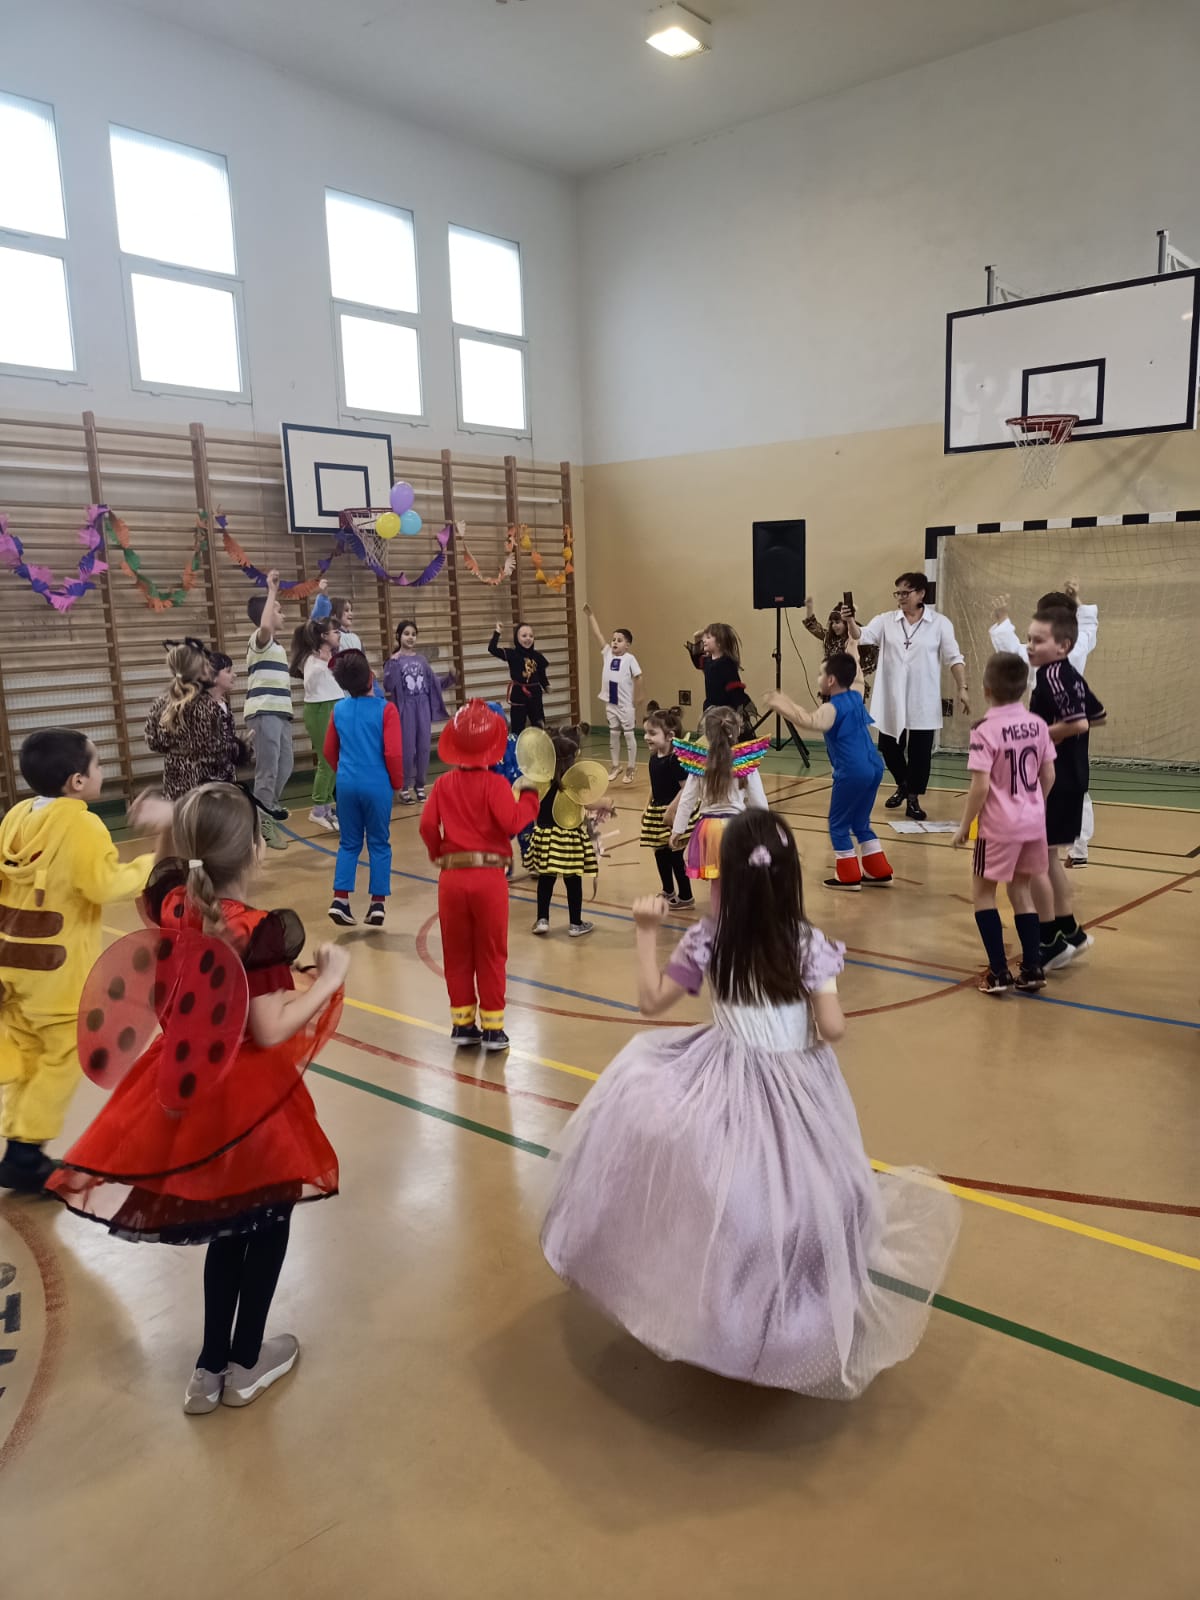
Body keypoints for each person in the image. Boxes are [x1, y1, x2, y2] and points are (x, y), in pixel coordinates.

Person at [540, 809, 960, 1398]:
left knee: (731, 1191)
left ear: (729, 877)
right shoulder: (808, 944)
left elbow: (651, 1002)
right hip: (800, 1086)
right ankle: (798, 1311)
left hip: (724, 1077)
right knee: (814, 1188)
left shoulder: (711, 938)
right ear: (790, 877)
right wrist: (806, 1025)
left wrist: (644, 932)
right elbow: (833, 1028)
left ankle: (727, 1309)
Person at [48, 782, 346, 1414]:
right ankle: (247, 1363)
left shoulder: (176, 905)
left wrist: (169, 826)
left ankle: (208, 1369)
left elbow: (159, 879)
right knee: (268, 1220)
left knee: (228, 1226)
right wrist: (328, 981)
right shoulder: (257, 932)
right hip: (249, 1105)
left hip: (188, 1088)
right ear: (256, 851)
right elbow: (270, 1028)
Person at [0, 730, 171, 1193]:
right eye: (98, 765)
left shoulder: (15, 817)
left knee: (29, 1054)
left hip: (12, 964)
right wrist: (151, 864)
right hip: (57, 975)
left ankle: (17, 1141)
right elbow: (103, 884)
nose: (102, 772)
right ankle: (24, 1152)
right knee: (60, 1059)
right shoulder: (82, 826)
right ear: (77, 781)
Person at [419, 701, 541, 1051]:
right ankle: (493, 1029)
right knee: (491, 952)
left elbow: (427, 826)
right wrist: (529, 796)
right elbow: (512, 823)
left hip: (452, 879)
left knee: (456, 953)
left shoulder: (442, 784)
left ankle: (462, 1024)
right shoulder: (495, 784)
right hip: (488, 879)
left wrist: (439, 853)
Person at [951, 653, 1056, 995]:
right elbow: (1048, 774)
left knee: (983, 893)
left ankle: (998, 972)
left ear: (986, 690)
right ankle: (1033, 968)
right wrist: (1034, 805)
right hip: (1032, 823)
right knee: (1021, 891)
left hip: (999, 825)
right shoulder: (1038, 724)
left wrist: (965, 825)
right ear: (1024, 688)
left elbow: (980, 786)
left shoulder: (984, 729)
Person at [989, 578, 1098, 867]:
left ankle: (1038, 838)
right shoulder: (1076, 646)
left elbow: (1011, 652)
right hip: (1076, 722)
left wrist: (1002, 619)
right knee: (1077, 783)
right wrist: (1077, 600)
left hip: (1047, 725)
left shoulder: (1040, 653)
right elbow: (1089, 627)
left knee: (1038, 781)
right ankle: (1079, 847)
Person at [765, 649, 894, 890]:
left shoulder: (831, 708)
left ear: (831, 680)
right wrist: (853, 642)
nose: (819, 679)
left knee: (838, 824)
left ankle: (848, 876)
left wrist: (782, 705)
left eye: (820, 674)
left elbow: (810, 721)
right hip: (875, 768)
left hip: (852, 771)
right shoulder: (856, 695)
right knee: (860, 822)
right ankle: (878, 870)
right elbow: (856, 672)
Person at [847, 573, 969, 822]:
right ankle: (903, 784)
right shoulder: (886, 620)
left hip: (923, 697)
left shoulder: (940, 623)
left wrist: (962, 687)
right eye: (898, 593)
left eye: (906, 593)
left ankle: (912, 799)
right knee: (888, 747)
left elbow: (954, 658)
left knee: (920, 752)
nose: (901, 598)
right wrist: (850, 621)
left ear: (921, 593)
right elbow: (861, 635)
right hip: (892, 697)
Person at [1026, 608, 1106, 971]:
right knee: (1049, 856)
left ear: (1063, 646)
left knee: (1035, 859)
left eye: (1038, 640)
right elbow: (1098, 715)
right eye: (1029, 639)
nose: (1030, 646)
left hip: (1055, 779)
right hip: (1072, 777)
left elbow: (1079, 723)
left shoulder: (1052, 674)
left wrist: (1034, 735)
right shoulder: (1070, 674)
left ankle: (1048, 941)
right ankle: (1069, 930)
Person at [324, 649, 404, 928]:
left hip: (346, 784)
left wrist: (345, 773)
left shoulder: (339, 709)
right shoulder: (386, 710)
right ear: (371, 677)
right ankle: (377, 904)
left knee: (349, 843)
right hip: (377, 784)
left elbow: (329, 751)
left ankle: (340, 899)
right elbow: (393, 753)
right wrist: (397, 783)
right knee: (379, 843)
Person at [670, 706, 768, 907]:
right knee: (739, 879)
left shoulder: (700, 763)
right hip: (737, 829)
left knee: (717, 883)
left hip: (709, 830)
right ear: (737, 730)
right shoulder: (744, 763)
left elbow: (687, 799)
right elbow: (758, 800)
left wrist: (677, 829)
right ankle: (739, 919)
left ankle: (720, 921)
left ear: (707, 733)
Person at [145, 639, 247, 800]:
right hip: (205, 790)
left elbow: (153, 742)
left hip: (175, 785)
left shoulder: (162, 703)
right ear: (200, 669)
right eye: (206, 665)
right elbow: (214, 751)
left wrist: (179, 752)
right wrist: (239, 749)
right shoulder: (205, 705)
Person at [526, 725, 602, 939]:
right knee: (573, 879)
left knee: (546, 878)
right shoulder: (577, 779)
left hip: (545, 836)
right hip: (568, 837)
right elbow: (588, 803)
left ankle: (542, 919)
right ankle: (575, 923)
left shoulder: (540, 778)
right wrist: (605, 803)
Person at [245, 571, 293, 851]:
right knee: (268, 771)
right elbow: (265, 626)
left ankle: (266, 809)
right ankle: (262, 822)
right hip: (264, 713)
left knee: (284, 766)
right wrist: (271, 591)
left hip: (280, 714)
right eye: (278, 610)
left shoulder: (277, 648)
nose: (282, 614)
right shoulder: (259, 641)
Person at [383, 620, 454, 804]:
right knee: (407, 749)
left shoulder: (422, 660)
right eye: (406, 634)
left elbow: (434, 684)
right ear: (398, 636)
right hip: (405, 708)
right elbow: (388, 686)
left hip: (422, 707)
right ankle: (404, 787)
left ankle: (420, 786)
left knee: (423, 747)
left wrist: (450, 678)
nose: (410, 637)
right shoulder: (394, 660)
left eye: (413, 634)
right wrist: (392, 664)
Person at [289, 616, 343, 833]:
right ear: (324, 636)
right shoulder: (312, 659)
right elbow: (309, 682)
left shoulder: (331, 656)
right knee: (327, 759)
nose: (338, 634)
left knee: (336, 759)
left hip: (335, 706)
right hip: (320, 710)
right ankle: (318, 809)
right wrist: (322, 663)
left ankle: (327, 807)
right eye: (335, 631)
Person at [640, 704, 694, 909]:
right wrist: (646, 807)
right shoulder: (654, 758)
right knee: (660, 853)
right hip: (658, 812)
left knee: (675, 856)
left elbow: (686, 788)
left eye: (652, 733)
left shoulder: (675, 760)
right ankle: (668, 891)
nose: (646, 737)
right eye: (646, 732)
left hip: (674, 814)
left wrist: (671, 809)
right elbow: (655, 786)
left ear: (670, 735)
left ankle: (686, 895)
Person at [583, 604, 643, 784]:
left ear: (627, 644)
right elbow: (597, 634)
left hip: (625, 704)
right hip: (611, 703)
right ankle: (615, 765)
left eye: (620, 640)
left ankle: (631, 767)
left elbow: (638, 677)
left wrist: (639, 695)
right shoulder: (607, 654)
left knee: (629, 735)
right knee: (614, 735)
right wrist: (590, 615)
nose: (615, 642)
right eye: (614, 639)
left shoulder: (630, 659)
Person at [488, 621, 549, 734]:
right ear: (517, 638)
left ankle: (539, 744)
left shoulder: (538, 656)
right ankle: (517, 744)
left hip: (535, 694)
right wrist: (497, 631)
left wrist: (546, 685)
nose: (528, 638)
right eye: (524, 636)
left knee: (539, 725)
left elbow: (541, 674)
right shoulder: (512, 654)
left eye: (531, 636)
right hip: (519, 694)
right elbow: (492, 649)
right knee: (517, 727)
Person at [685, 623, 751, 721]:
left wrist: (737, 714)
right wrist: (697, 637)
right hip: (711, 709)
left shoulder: (726, 663)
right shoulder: (708, 661)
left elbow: (734, 690)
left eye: (708, 637)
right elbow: (697, 659)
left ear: (720, 642)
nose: (704, 640)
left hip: (725, 712)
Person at [802, 596, 878, 680]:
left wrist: (857, 673)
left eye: (837, 622)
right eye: (832, 623)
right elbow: (813, 626)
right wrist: (809, 608)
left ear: (846, 623)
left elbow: (875, 656)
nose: (834, 626)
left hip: (852, 683)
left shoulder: (857, 640)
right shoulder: (830, 638)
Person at [311, 586, 362, 651]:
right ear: (334, 614)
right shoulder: (332, 637)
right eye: (346, 610)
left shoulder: (354, 637)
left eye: (351, 610)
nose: (351, 614)